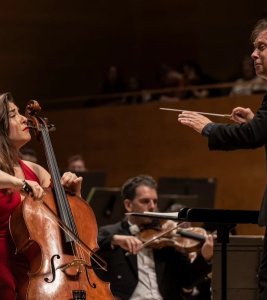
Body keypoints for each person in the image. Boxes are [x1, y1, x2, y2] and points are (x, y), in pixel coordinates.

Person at [178, 19, 267, 300]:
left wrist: (208, 128)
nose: (254, 54)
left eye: (261, 47)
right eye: (253, 49)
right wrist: (256, 121)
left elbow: (254, 136)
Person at [0, 92, 83, 299]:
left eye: (21, 113)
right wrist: (19, 183)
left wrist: (74, 194)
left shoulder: (35, 171)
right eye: (13, 114)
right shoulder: (18, 178)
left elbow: (68, 223)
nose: (24, 118)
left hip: (37, 266)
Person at [94, 175, 214, 300]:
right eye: (145, 201)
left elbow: (187, 280)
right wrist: (115, 240)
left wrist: (205, 258)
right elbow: (89, 246)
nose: (152, 207)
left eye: (155, 201)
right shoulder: (112, 233)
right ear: (128, 205)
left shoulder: (166, 236)